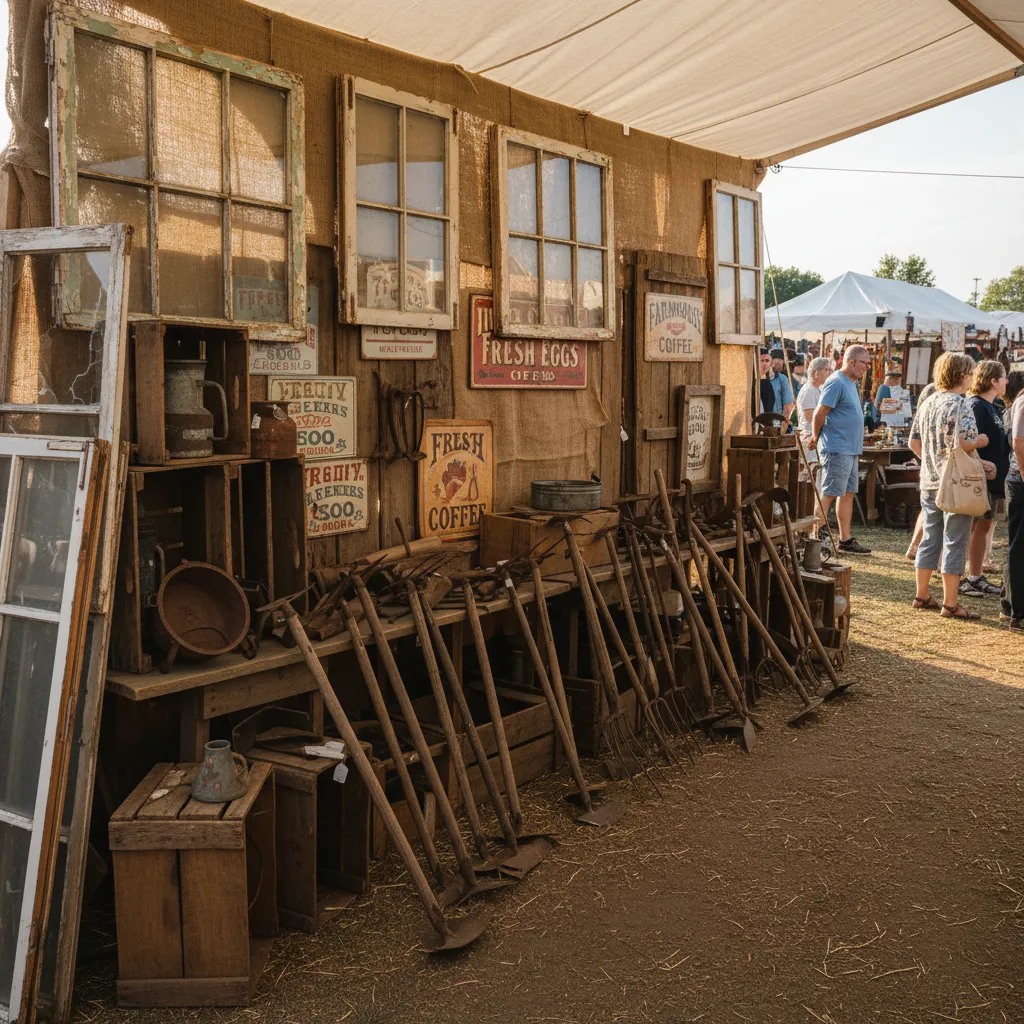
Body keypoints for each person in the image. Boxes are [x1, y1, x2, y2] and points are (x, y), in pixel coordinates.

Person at [909, 352, 992, 620]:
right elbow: (961, 444)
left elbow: (914, 442)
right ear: (961, 375)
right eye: (970, 374)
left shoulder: (928, 401)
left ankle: (922, 595)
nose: (971, 379)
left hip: (929, 480)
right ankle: (950, 603)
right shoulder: (960, 405)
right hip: (956, 483)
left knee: (931, 538)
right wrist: (978, 442)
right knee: (955, 540)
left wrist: (931, 461)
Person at [808, 345, 872, 554]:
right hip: (837, 447)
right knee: (828, 493)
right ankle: (814, 538)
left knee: (847, 493)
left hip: (850, 448)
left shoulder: (851, 383)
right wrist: (815, 437)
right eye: (865, 362)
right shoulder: (836, 381)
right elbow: (820, 412)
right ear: (852, 362)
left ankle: (844, 539)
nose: (868, 367)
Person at [961, 361, 1009, 597]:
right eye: (1003, 377)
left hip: (994, 478)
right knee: (970, 527)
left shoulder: (993, 405)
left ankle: (975, 575)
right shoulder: (976, 406)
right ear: (993, 380)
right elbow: (968, 442)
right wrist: (980, 464)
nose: (1006, 382)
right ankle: (963, 576)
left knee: (985, 525)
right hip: (979, 479)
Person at [1000, 371, 1024, 631]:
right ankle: (1016, 610)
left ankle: (1009, 605)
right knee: (1018, 544)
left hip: (1018, 477)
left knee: (1017, 543)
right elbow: (1019, 442)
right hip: (1020, 479)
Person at [768, 348, 795, 421]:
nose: (777, 363)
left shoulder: (786, 378)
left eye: (780, 360)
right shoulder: (765, 377)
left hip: (779, 419)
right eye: (775, 360)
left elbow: (788, 405)